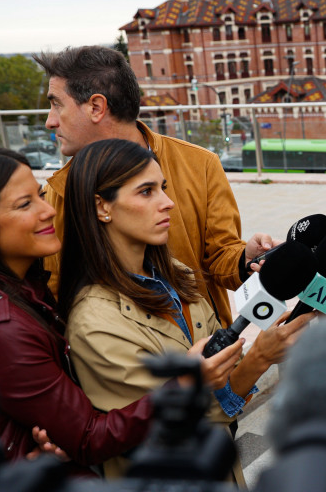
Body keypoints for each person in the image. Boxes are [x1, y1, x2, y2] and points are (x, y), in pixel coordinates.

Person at [57, 139, 311, 481]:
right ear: (102, 207)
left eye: (162, 188)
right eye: (146, 192)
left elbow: (223, 387)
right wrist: (257, 359)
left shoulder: (176, 275)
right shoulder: (94, 321)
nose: (168, 203)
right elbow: (164, 427)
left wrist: (258, 356)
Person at [0, 149, 153, 472]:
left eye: (40, 195)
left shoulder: (24, 288)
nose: (48, 210)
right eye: (25, 204)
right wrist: (181, 388)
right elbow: (88, 438)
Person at [35, 46, 267, 326]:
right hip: (111, 359)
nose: (50, 121)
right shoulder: (55, 194)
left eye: (56, 104)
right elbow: (56, 295)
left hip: (204, 350)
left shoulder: (199, 164)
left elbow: (219, 256)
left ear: (96, 107)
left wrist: (246, 259)